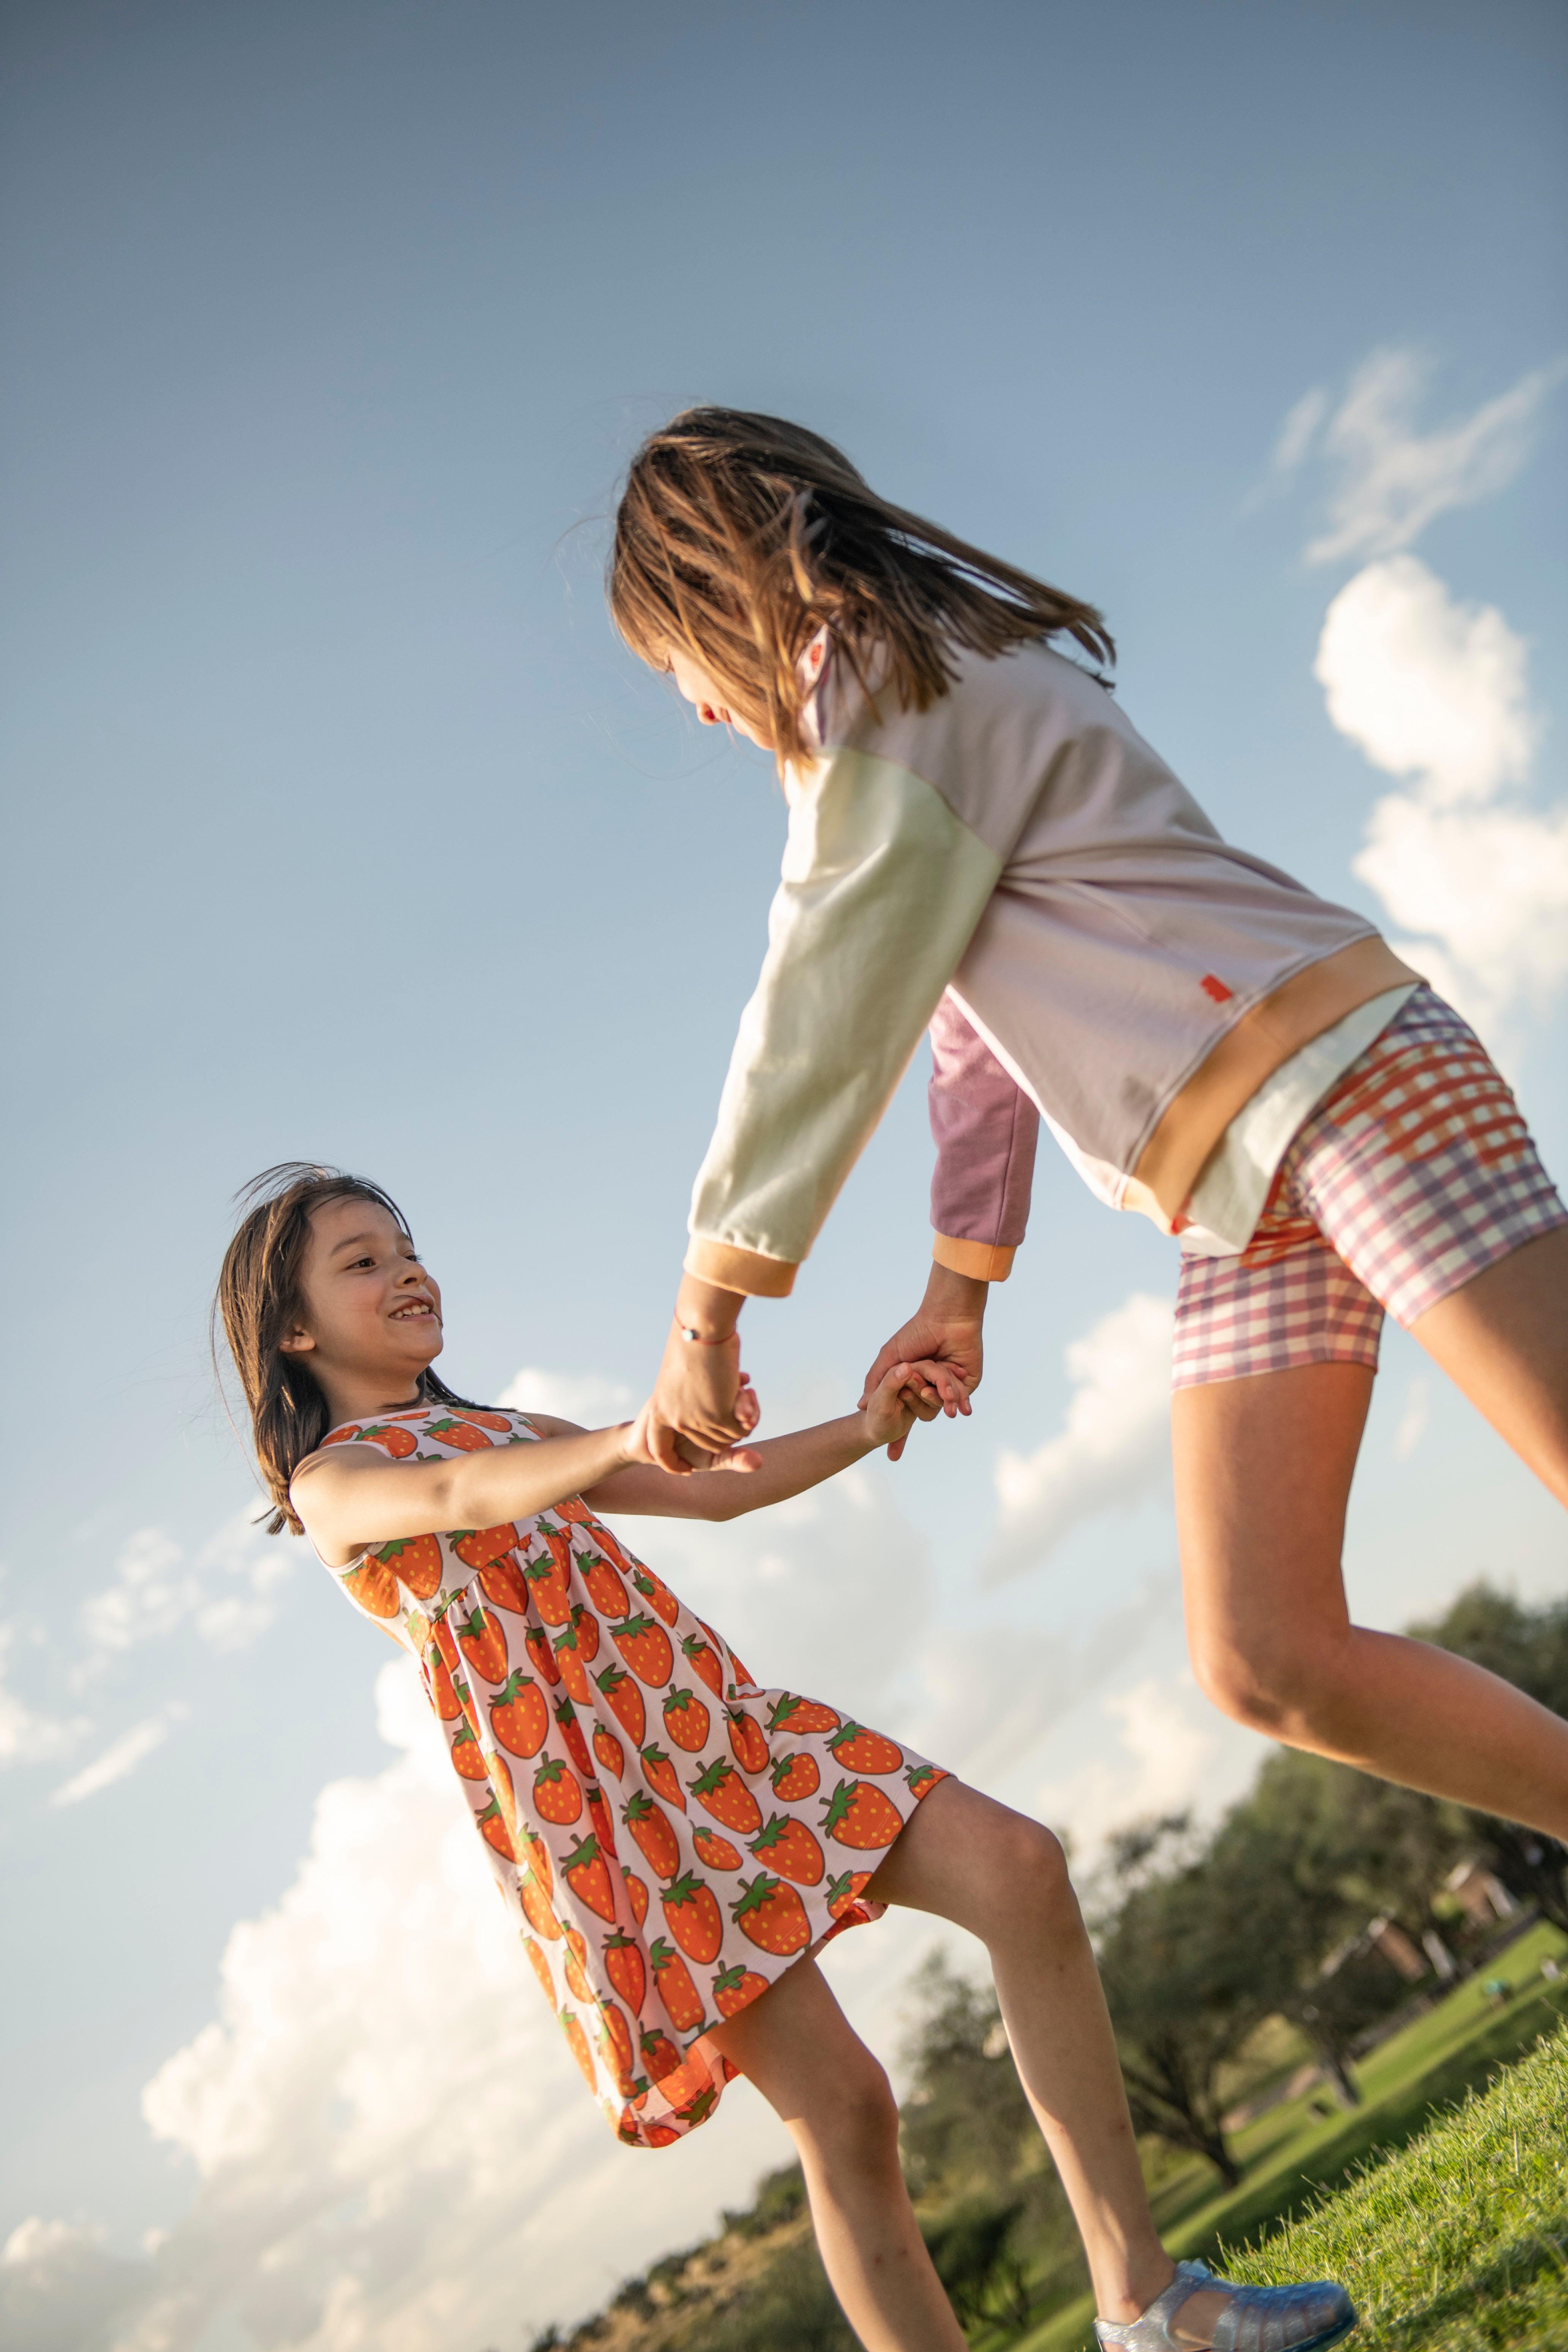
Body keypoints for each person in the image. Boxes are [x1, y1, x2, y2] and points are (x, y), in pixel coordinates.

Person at [609, 406, 1568, 1849]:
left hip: (1344, 1079)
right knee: (1267, 1655)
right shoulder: (921, 682)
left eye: (672, 662)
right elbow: (964, 1034)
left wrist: (708, 1309)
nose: (692, 707)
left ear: (713, 593)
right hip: (1241, 1195)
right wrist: (958, 1288)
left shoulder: (873, 678)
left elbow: (825, 997)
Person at [215, 1162, 1354, 2352]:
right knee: (849, 2111)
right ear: (293, 1329)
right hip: (629, 1832)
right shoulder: (334, 1484)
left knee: (1019, 1867)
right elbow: (457, 1493)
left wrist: (873, 1422)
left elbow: (715, 1492)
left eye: (406, 1248)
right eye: (363, 1262)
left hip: (726, 1738)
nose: (407, 1271)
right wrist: (623, 1435)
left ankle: (1149, 2306)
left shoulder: (513, 1425)